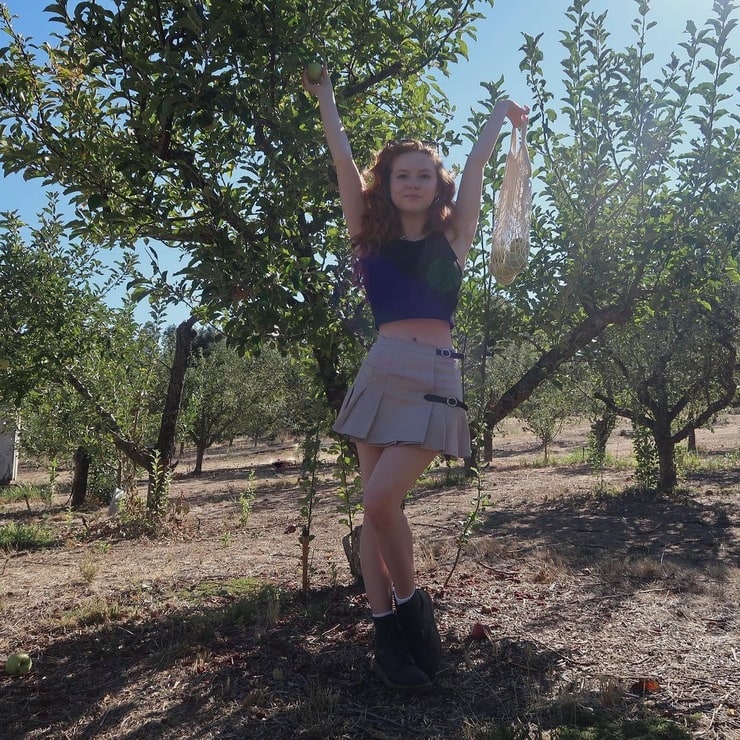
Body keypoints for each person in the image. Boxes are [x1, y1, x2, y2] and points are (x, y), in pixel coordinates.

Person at [303, 65, 528, 693]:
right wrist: (326, 98)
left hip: (433, 374)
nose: (411, 182)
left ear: (437, 187)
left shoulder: (454, 237)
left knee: (381, 501)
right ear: (388, 183)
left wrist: (496, 116)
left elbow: (479, 170)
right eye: (401, 174)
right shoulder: (366, 234)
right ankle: (387, 637)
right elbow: (342, 161)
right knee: (374, 514)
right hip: (380, 370)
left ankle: (412, 608)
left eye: (423, 175)